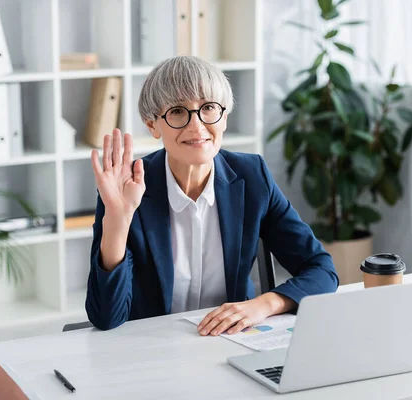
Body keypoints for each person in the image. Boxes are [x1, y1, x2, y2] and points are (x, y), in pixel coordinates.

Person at [86, 56, 339, 336]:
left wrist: (263, 304)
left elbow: (321, 270)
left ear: (225, 117)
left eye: (208, 108)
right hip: (153, 349)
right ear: (152, 125)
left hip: (230, 342)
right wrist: (118, 221)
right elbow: (106, 317)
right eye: (178, 112)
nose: (197, 126)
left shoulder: (253, 176)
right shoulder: (126, 187)